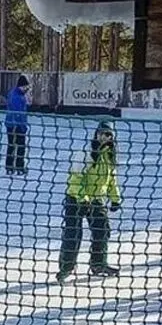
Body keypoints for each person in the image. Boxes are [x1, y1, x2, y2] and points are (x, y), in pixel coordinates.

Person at [56, 121, 121, 283]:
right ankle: (66, 267)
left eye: (108, 134)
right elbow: (76, 178)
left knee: (102, 231)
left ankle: (98, 264)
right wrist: (82, 198)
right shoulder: (86, 153)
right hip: (75, 199)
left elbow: (112, 180)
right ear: (96, 134)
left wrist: (115, 199)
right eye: (102, 133)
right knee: (73, 234)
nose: (104, 137)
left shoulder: (109, 156)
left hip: (96, 199)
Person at [5, 75, 31, 176]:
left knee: (15, 146)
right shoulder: (15, 96)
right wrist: (20, 126)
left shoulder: (19, 95)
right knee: (17, 146)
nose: (26, 89)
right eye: (25, 87)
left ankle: (11, 166)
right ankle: (16, 166)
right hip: (15, 125)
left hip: (16, 124)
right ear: (20, 86)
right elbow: (17, 113)